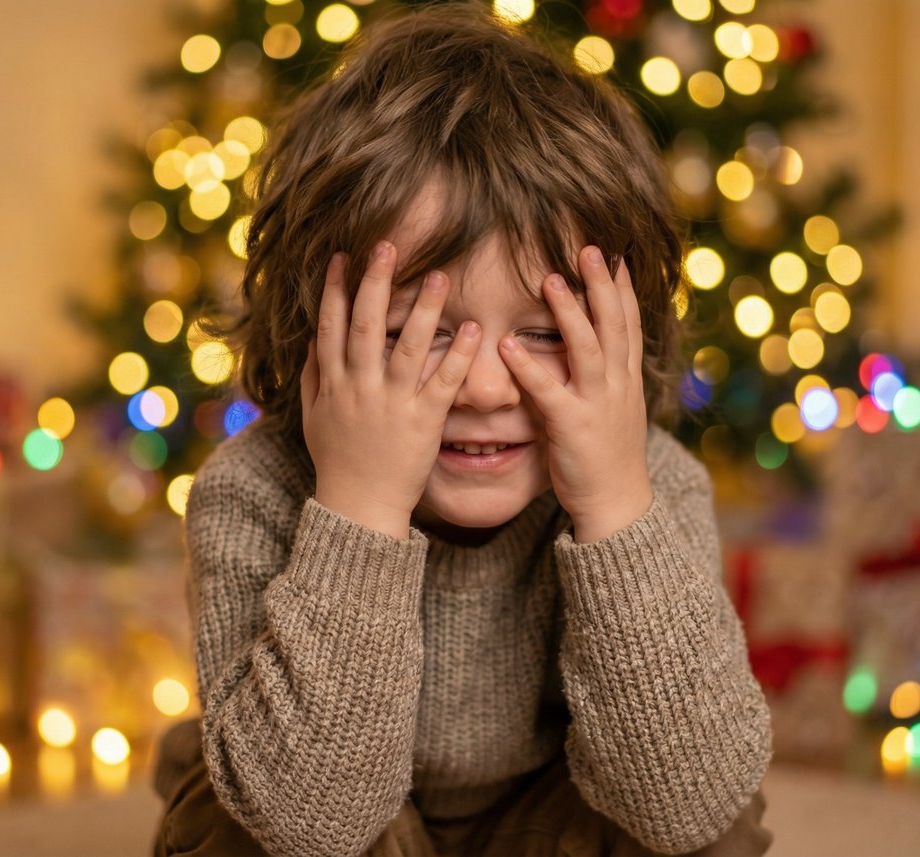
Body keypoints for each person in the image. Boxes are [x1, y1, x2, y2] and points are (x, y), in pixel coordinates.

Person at [152, 3, 773, 855]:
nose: (483, 387)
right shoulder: (250, 491)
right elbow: (307, 822)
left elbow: (689, 804)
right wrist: (362, 503)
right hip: (334, 815)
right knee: (235, 817)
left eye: (545, 334)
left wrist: (615, 507)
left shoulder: (654, 483)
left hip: (552, 818)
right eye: (414, 332)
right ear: (310, 332)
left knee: (719, 803)